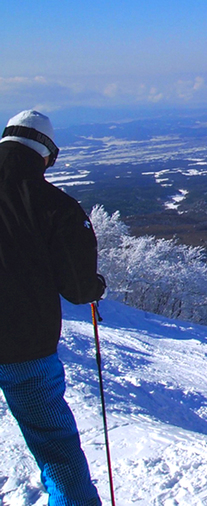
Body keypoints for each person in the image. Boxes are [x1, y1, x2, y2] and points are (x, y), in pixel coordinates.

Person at [0, 110, 107, 505]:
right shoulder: (56, 206)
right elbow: (79, 289)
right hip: (25, 348)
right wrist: (96, 286)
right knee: (56, 449)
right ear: (46, 154)